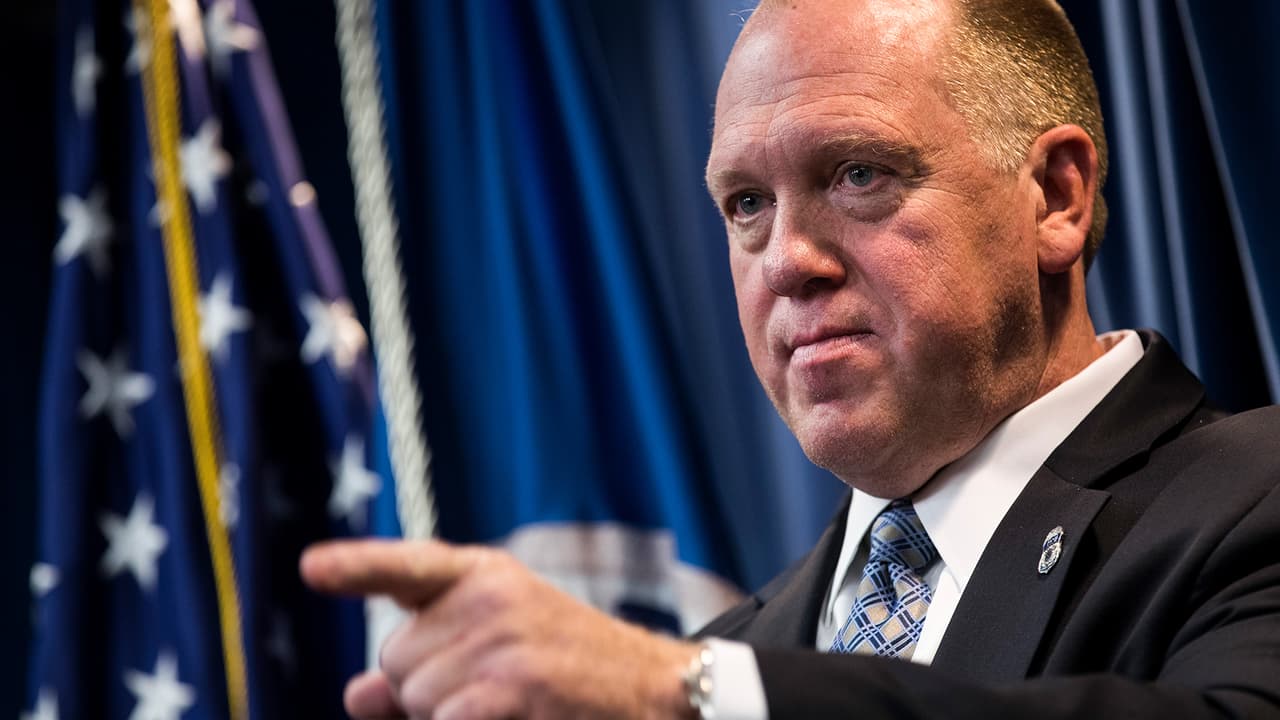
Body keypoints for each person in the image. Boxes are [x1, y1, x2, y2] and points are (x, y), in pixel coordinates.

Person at [300, 0, 1280, 717]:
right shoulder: (734, 649)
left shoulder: (1251, 502)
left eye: (857, 173)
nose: (785, 262)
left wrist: (686, 694)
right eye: (746, 205)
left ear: (1055, 196)